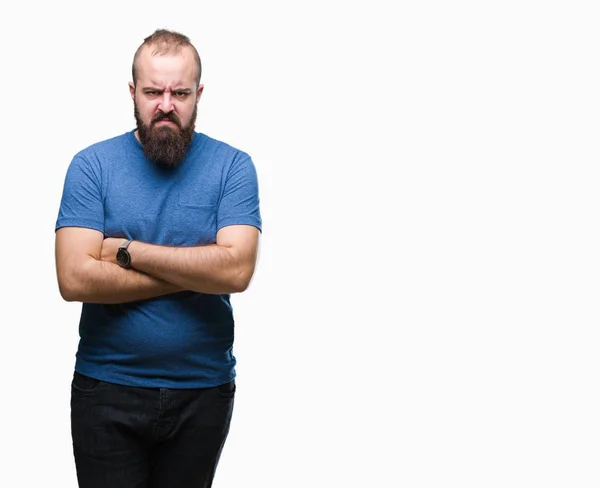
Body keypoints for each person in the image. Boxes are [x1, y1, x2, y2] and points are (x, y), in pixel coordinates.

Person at [54, 28, 261, 488]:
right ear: (133, 92)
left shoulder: (232, 166)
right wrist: (201, 270)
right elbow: (74, 278)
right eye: (153, 91)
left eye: (180, 92)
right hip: (106, 390)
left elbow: (238, 270)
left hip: (202, 392)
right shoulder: (93, 166)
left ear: (198, 94)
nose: (166, 104)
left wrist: (125, 252)